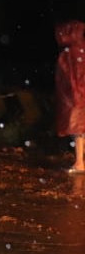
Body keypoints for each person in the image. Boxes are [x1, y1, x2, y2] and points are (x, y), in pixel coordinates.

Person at [55, 20, 85, 174]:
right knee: (80, 131)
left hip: (77, 98)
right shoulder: (76, 52)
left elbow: (70, 78)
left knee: (79, 130)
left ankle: (80, 162)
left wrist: (74, 96)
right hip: (78, 96)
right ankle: (80, 161)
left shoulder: (70, 54)